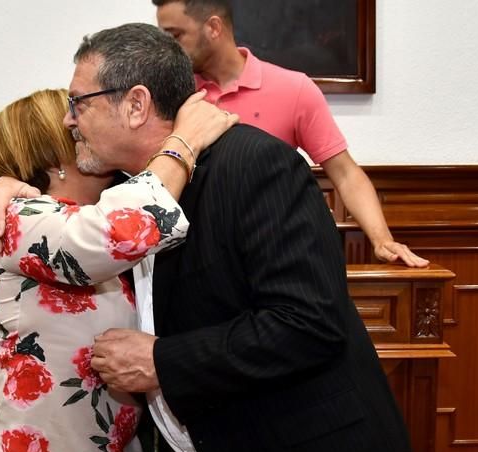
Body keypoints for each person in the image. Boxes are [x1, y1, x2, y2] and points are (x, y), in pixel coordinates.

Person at [0, 23, 416, 452]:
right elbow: (83, 229)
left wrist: (161, 360)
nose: (68, 120)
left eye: (78, 103)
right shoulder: (133, 195)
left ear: (136, 104)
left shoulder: (252, 164)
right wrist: (8, 185)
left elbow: (308, 323)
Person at [0, 89, 236, 452]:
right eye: (75, 119)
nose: (85, 124)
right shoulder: (18, 219)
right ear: (56, 154)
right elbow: (119, 231)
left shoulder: (109, 210)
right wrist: (182, 143)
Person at [152, 0, 429, 268]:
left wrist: (381, 240)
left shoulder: (293, 88)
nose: (168, 50)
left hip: (273, 257)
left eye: (175, 36)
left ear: (213, 28)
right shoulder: (174, 96)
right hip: (197, 261)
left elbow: (345, 173)